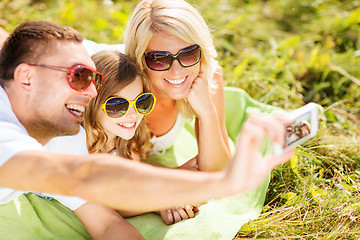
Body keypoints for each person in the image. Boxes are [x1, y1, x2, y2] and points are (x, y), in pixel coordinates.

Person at [0, 20, 293, 239]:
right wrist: (226, 183)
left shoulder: (68, 134)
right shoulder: (8, 140)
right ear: (26, 77)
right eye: (79, 77)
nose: (91, 92)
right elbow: (88, 177)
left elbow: (107, 221)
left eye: (93, 78)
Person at [84, 50, 199, 226]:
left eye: (141, 102)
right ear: (92, 103)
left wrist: (178, 173)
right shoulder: (78, 145)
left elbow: (132, 174)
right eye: (117, 105)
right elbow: (110, 199)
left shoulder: (122, 136)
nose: (133, 114)